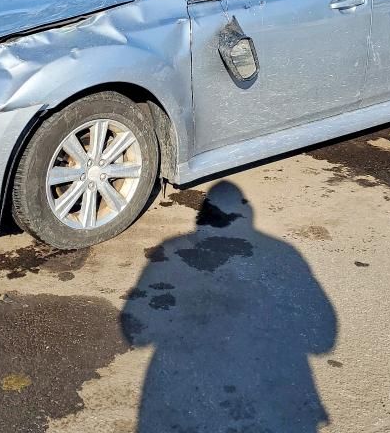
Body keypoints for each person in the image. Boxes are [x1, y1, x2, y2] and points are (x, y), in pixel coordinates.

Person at [123, 181, 338, 431]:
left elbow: (136, 334)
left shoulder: (171, 248)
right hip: (267, 396)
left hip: (178, 394)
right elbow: (323, 340)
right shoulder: (285, 253)